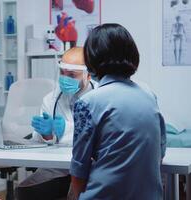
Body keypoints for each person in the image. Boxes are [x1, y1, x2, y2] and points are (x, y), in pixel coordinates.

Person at [70, 23, 166, 199]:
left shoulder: (88, 102)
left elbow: (79, 170)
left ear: (92, 59)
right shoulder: (149, 95)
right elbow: (160, 153)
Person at [16, 47, 96, 200]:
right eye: (62, 73)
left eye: (72, 75)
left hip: (89, 168)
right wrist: (46, 135)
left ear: (89, 74)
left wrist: (66, 129)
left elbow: (98, 136)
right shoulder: (51, 99)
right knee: (24, 191)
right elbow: (39, 142)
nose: (65, 79)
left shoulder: (100, 98)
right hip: (57, 167)